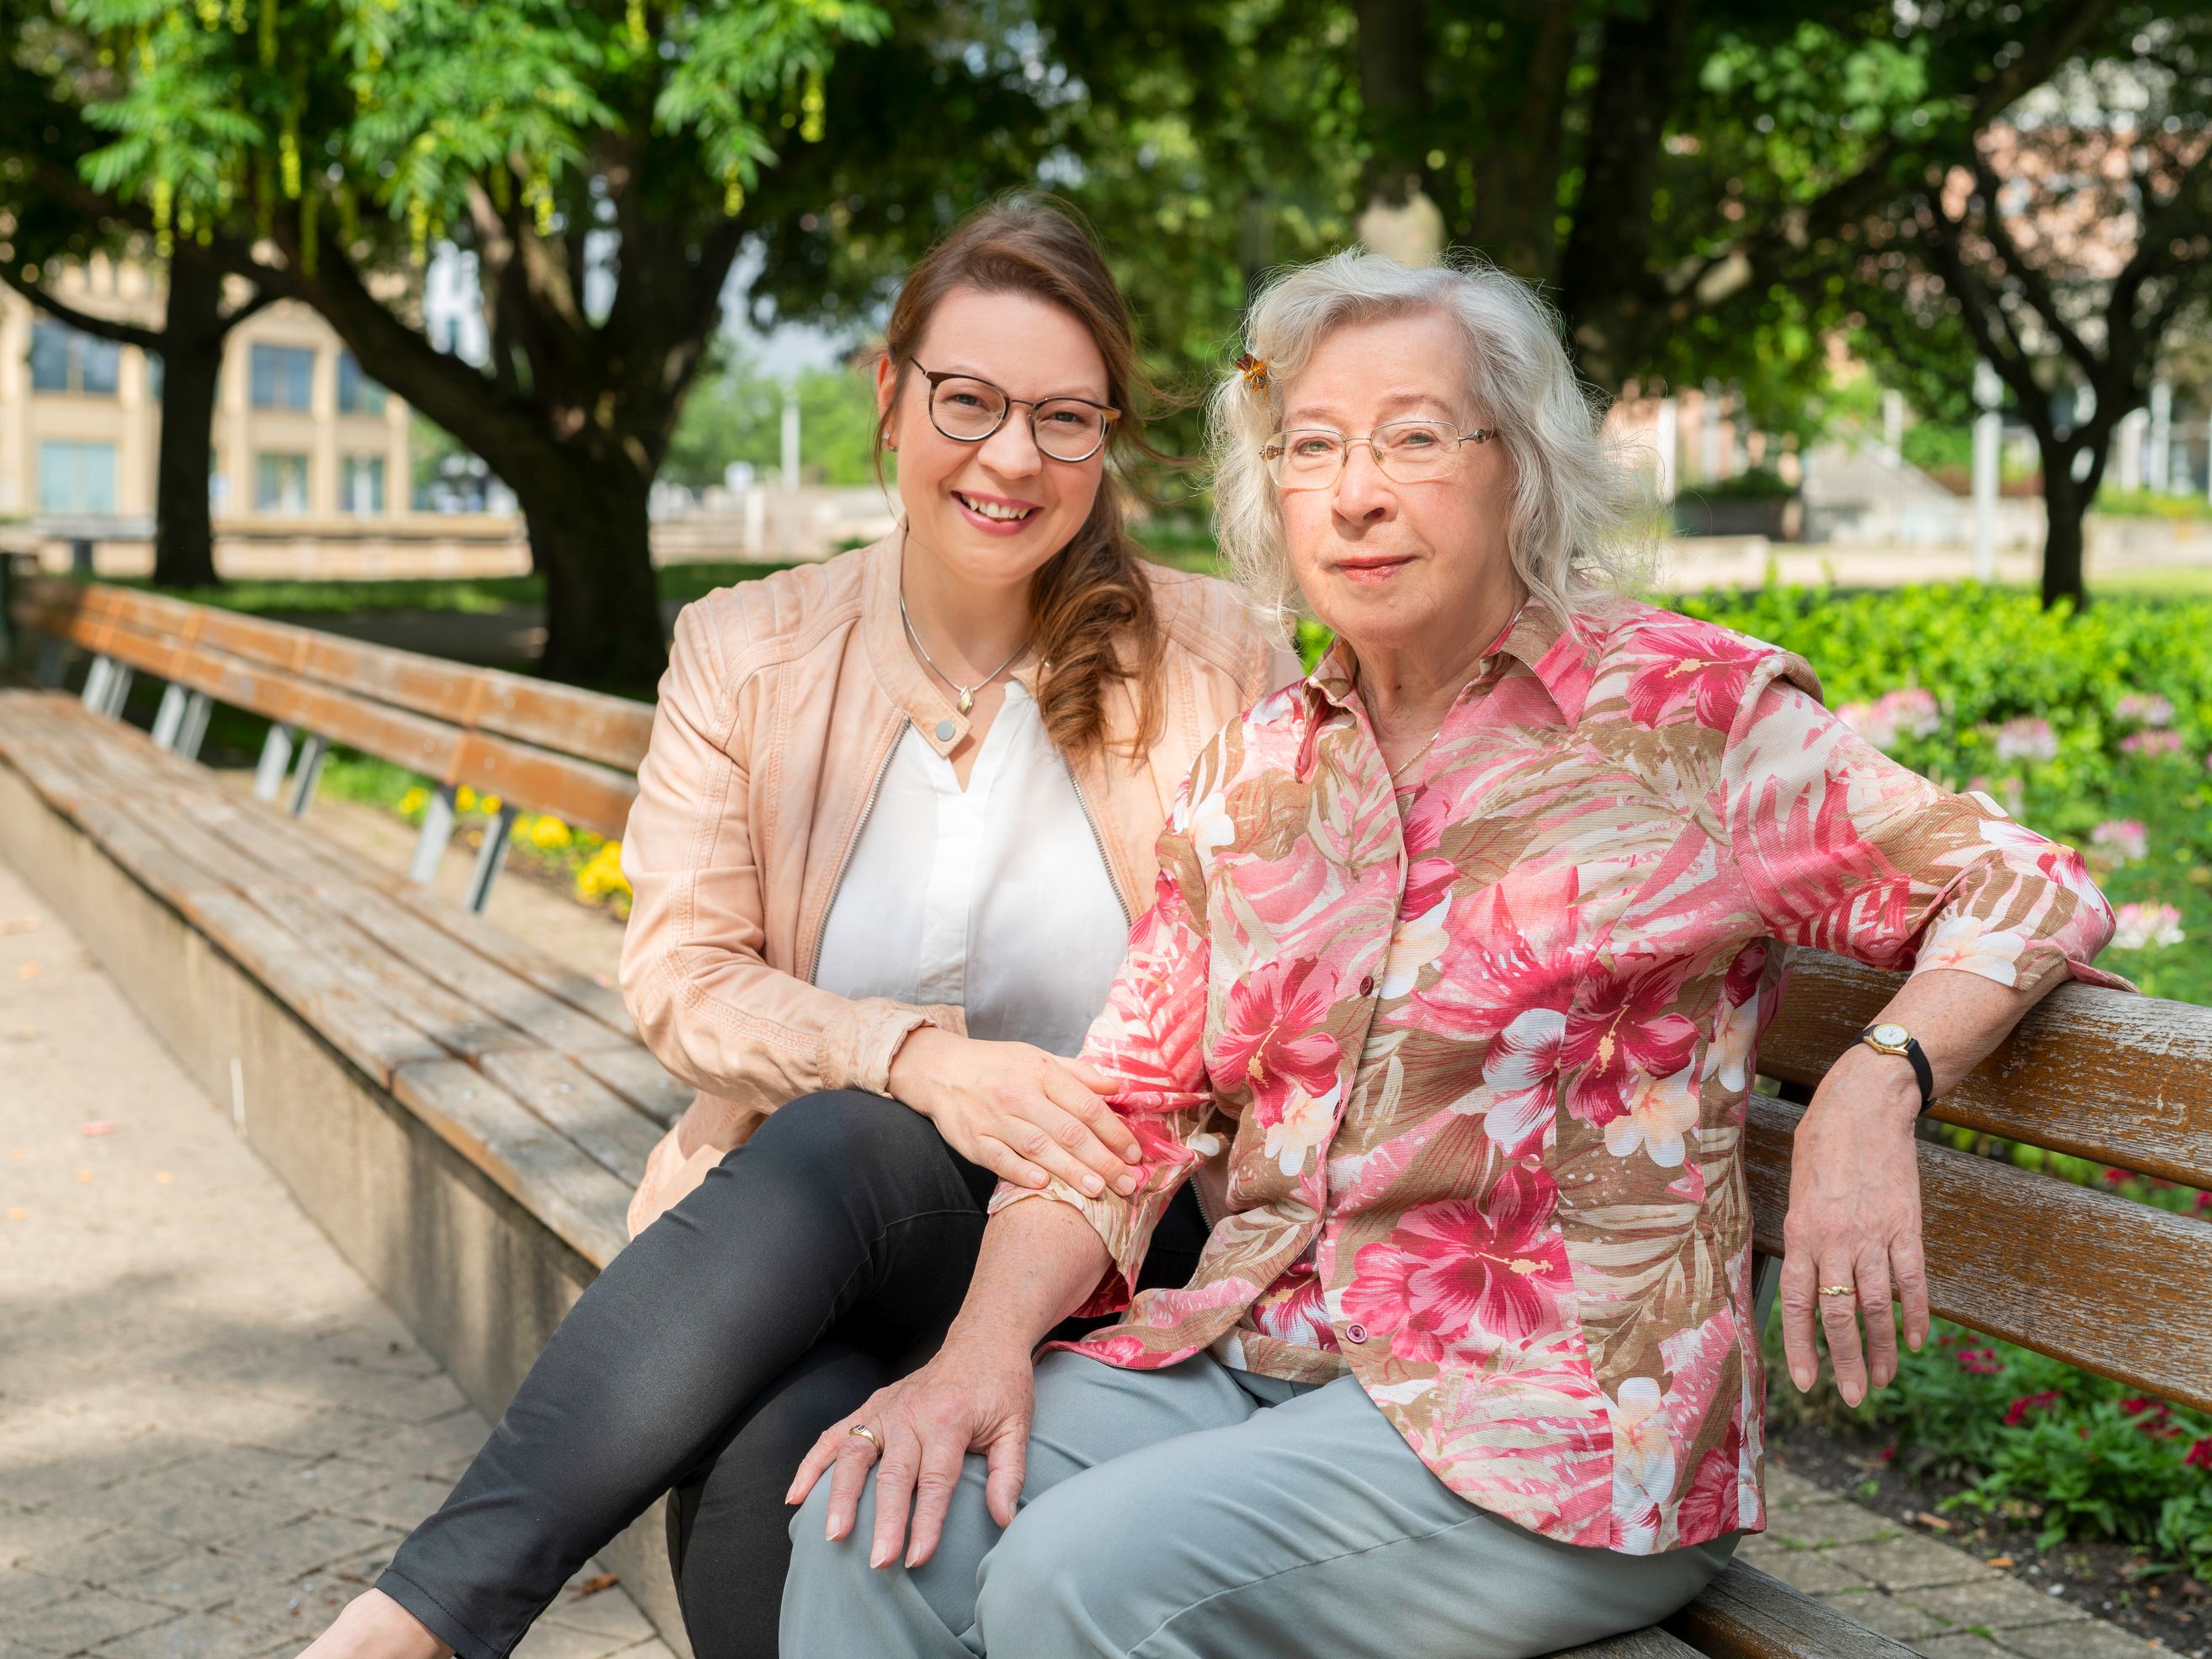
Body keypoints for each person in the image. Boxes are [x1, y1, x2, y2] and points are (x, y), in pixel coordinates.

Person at [779, 248, 2130, 1659]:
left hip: (1555, 1423)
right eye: (1313, 447)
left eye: (1413, 439)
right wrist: (977, 1353)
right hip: (1252, 1354)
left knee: (1079, 1575)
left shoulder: (1685, 717)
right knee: (875, 1521)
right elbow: (1125, 1111)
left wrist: (1880, 1077)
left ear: (1519, 466)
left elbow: (2021, 881)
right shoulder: (1257, 781)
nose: (1356, 491)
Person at [299, 199, 1299, 1659]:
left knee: (843, 1176)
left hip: (1121, 1230)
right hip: (824, 1234)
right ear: (890, 398)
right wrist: (918, 1060)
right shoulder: (746, 649)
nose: (1013, 456)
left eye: (1065, 418)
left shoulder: (1215, 658)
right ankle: (425, 1626)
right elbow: (684, 979)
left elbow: (1267, 1009)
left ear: (1105, 442)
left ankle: (408, 1631)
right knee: (777, 1456)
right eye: (970, 401)